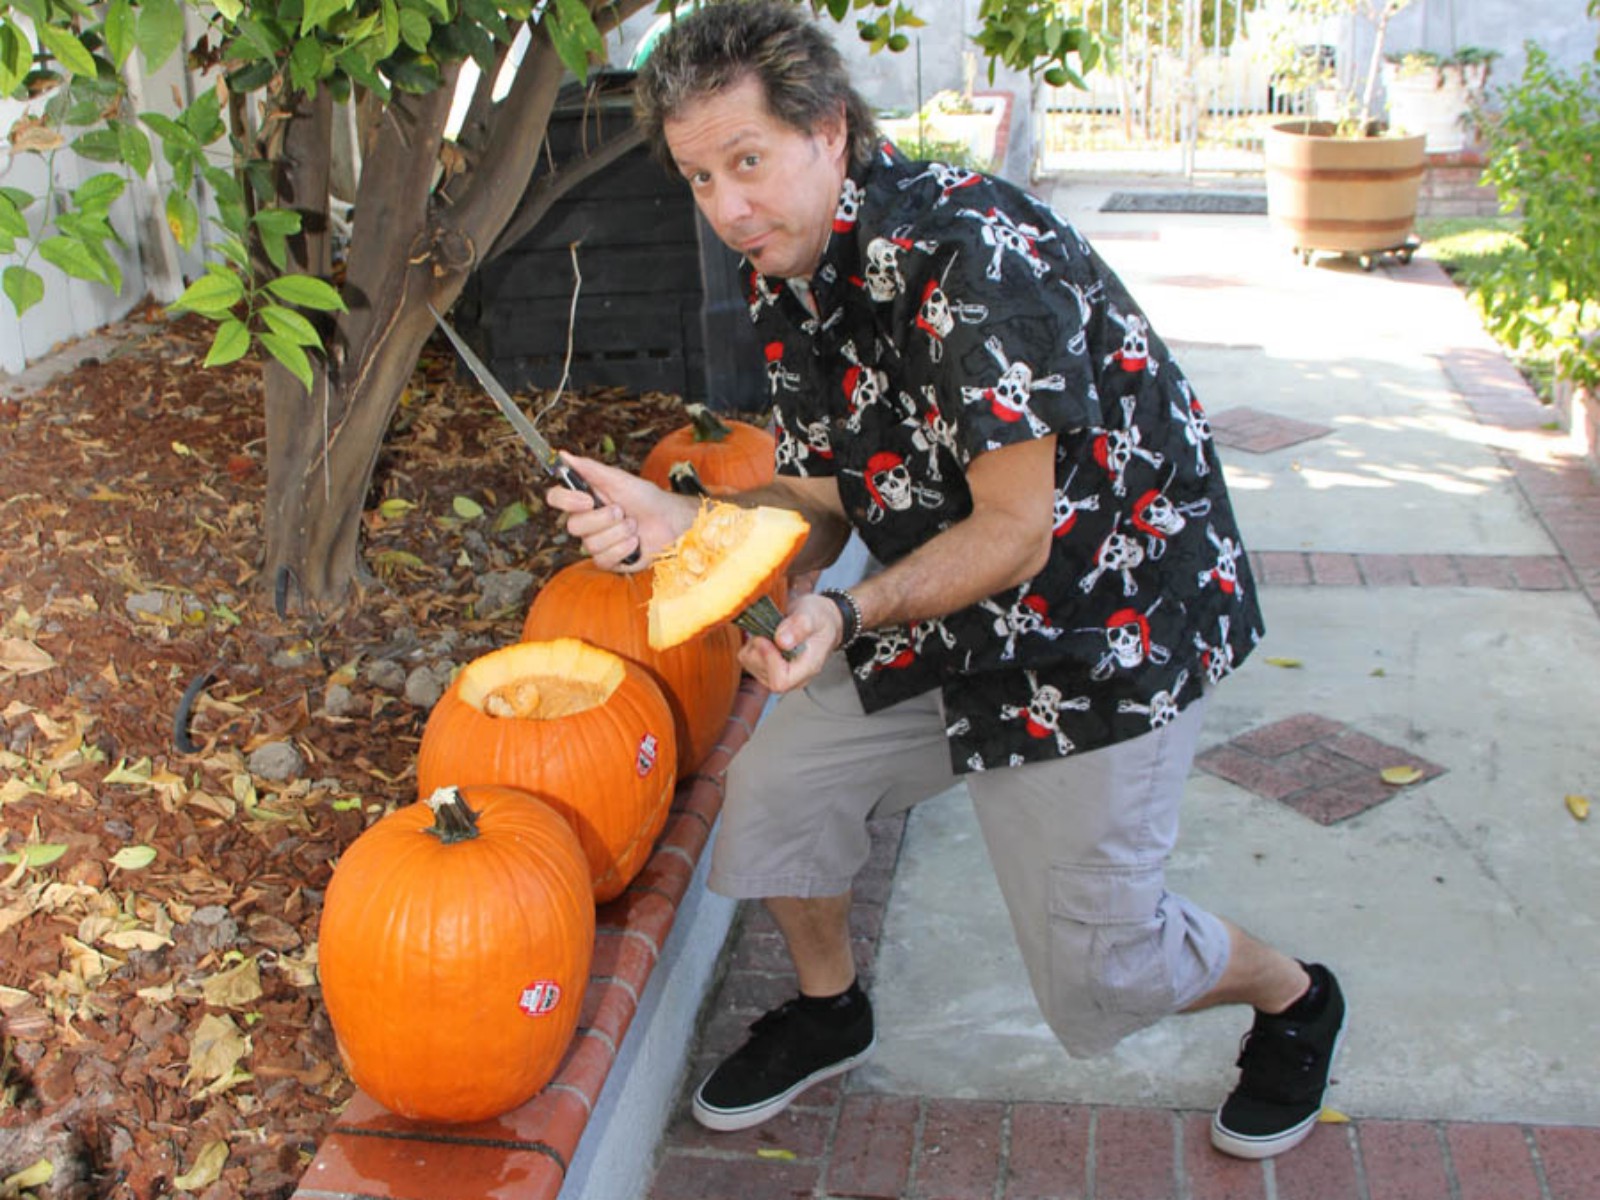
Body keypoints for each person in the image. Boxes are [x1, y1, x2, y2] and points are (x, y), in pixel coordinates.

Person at [548, 0, 1346, 1162]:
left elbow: (1017, 535)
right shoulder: (788, 272)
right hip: (950, 607)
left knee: (1102, 972)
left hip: (1101, 624)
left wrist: (844, 610)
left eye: (747, 161)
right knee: (777, 795)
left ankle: (1294, 998)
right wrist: (684, 520)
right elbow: (824, 502)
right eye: (698, 176)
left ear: (827, 129)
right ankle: (831, 1010)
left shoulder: (974, 254)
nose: (725, 207)